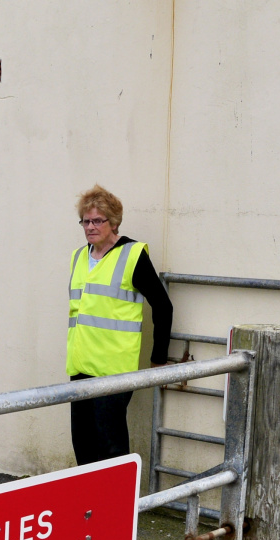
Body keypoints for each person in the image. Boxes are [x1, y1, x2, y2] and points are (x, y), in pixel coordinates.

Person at [66, 185, 173, 465]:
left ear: (113, 223)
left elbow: (163, 306)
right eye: (85, 221)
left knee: (110, 446)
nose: (90, 227)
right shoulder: (79, 257)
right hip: (80, 367)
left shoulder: (132, 255)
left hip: (113, 371)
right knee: (83, 444)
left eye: (97, 220)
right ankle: (89, 507)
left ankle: (117, 506)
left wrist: (158, 359)